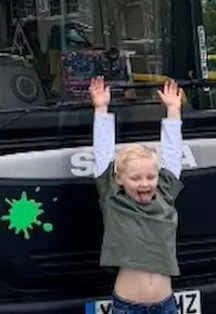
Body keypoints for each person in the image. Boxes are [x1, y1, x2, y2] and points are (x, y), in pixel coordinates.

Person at [90, 75, 185, 314]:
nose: (144, 183)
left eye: (150, 177)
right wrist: (101, 108)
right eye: (135, 178)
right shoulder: (113, 199)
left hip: (167, 306)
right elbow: (102, 153)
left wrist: (173, 111)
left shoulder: (164, 195)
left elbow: (173, 155)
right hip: (128, 307)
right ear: (118, 178)